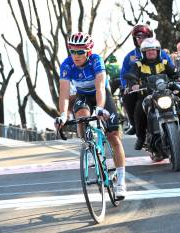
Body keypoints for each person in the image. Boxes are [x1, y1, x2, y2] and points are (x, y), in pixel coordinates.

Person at [55, 32, 127, 199]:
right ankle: (89, 145)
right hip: (83, 96)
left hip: (101, 95)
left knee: (114, 137)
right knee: (81, 117)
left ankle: (121, 181)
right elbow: (64, 93)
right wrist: (63, 115)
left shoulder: (96, 60)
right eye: (72, 51)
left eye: (80, 52)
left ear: (88, 51)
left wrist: (100, 108)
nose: (76, 55)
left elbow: (101, 86)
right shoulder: (66, 65)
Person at [125, 38, 180, 150]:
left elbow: (174, 72)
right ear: (143, 52)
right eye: (148, 50)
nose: (151, 52)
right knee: (139, 110)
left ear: (158, 51)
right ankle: (140, 137)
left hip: (164, 91)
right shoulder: (138, 65)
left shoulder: (164, 63)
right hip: (146, 94)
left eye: (153, 50)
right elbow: (132, 76)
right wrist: (133, 84)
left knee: (178, 94)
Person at [120, 24, 174, 135]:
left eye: (145, 36)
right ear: (135, 39)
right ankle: (134, 125)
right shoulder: (129, 57)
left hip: (162, 86)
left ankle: (179, 124)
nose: (141, 39)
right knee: (127, 96)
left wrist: (178, 76)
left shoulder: (162, 53)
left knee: (178, 93)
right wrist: (128, 85)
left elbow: (172, 68)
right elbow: (124, 74)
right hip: (141, 89)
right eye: (138, 37)